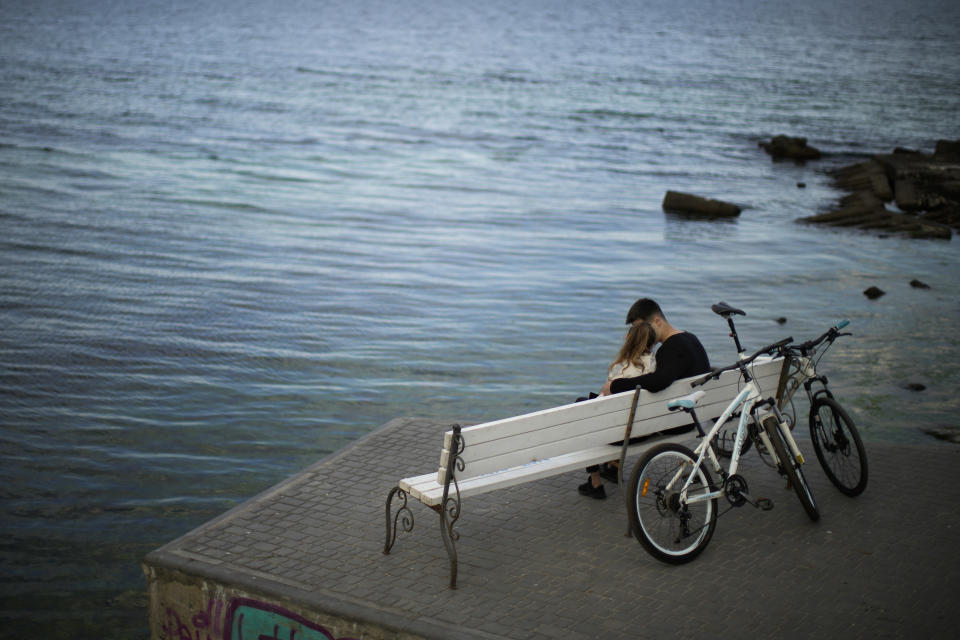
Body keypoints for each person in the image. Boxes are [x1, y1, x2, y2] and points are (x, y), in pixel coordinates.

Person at [578, 298, 711, 500]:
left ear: (657, 321)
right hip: (689, 417)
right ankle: (611, 468)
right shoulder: (690, 339)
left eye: (641, 328)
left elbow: (659, 381)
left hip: (672, 423)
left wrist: (614, 385)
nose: (639, 335)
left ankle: (598, 478)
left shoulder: (672, 348)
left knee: (586, 408)